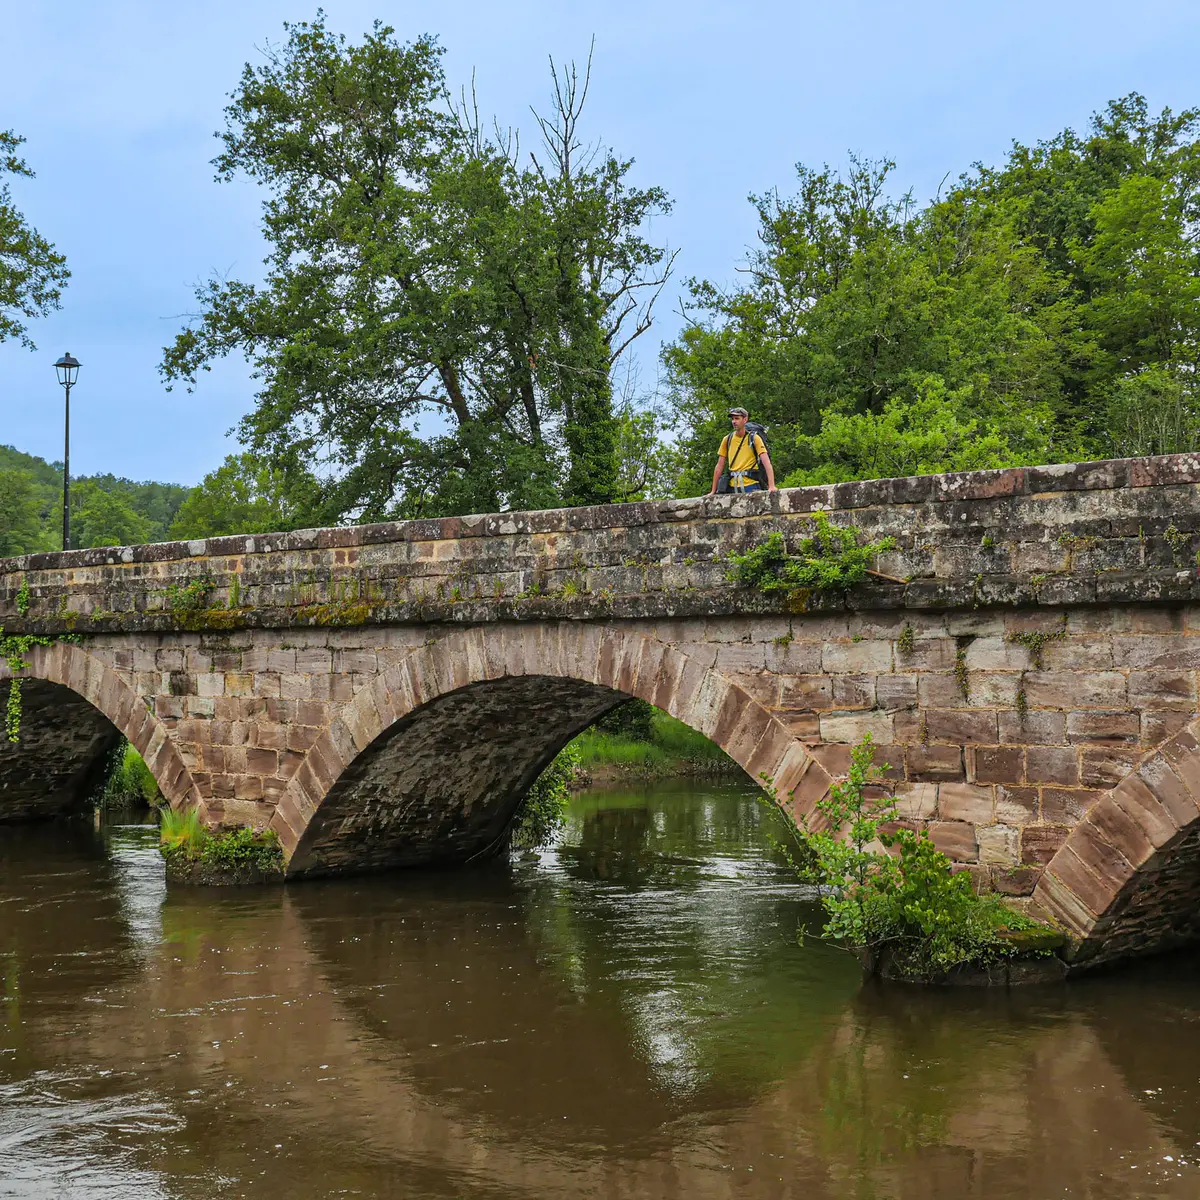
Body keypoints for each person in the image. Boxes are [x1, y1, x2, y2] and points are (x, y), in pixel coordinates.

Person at [708, 407, 776, 494]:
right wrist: (713, 491)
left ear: (745, 419)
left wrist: (771, 485)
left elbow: (766, 462)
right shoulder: (727, 439)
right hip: (732, 486)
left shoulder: (754, 438)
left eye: (737, 418)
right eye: (732, 419)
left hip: (751, 485)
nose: (734, 421)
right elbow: (719, 465)